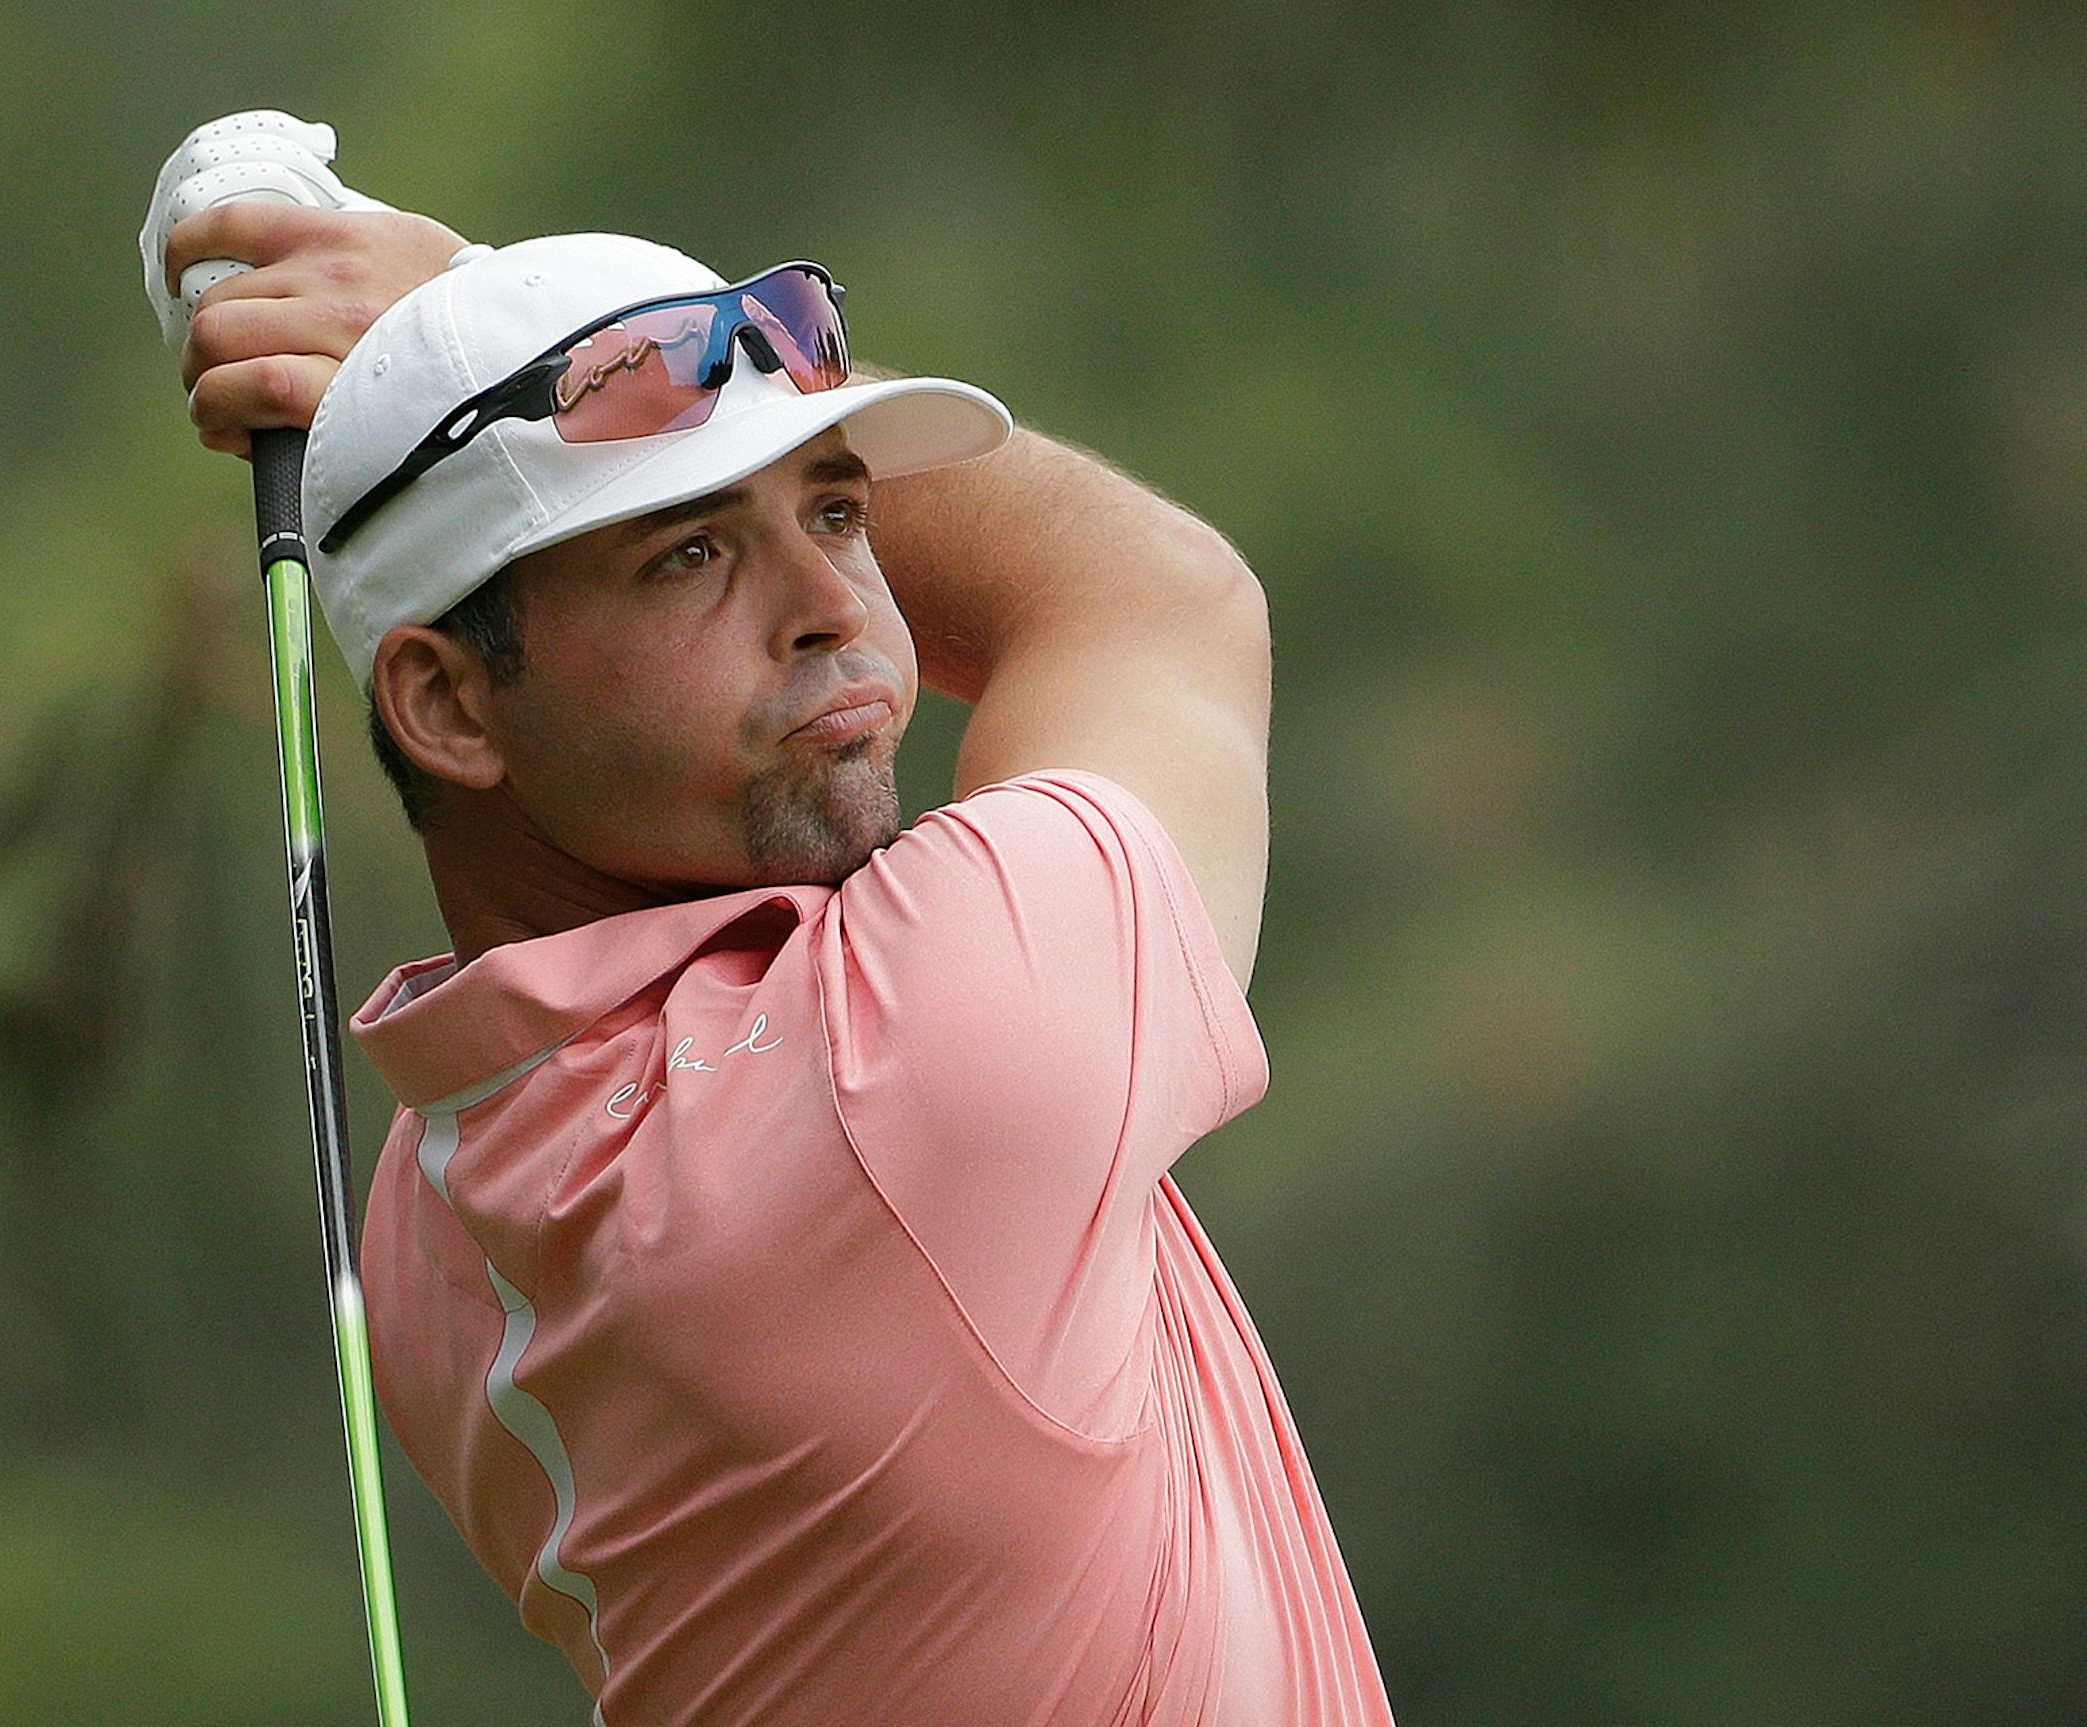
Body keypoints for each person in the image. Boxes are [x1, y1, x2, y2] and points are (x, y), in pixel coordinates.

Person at [156, 158, 1395, 1725]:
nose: (837, 607)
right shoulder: (912, 1068)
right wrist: (450, 293)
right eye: (690, 553)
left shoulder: (430, 1209)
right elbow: (1152, 594)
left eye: (841, 510)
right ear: (450, 704)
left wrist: (498, 350)